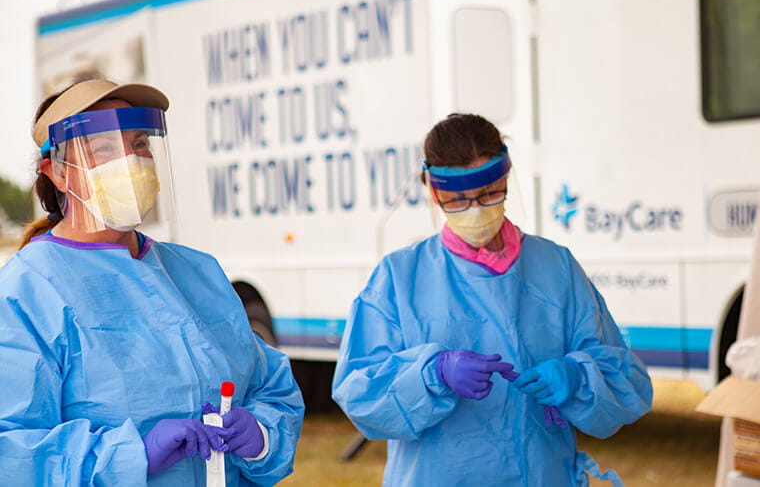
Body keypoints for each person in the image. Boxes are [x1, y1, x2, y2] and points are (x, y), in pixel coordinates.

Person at [0, 79, 304, 486]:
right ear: (57, 172)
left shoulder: (197, 272)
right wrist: (130, 457)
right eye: (104, 148)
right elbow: (13, 452)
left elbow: (271, 385)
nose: (130, 161)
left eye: (139, 143)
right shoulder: (26, 290)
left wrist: (263, 435)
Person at [332, 113, 653, 486]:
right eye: (457, 201)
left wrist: (576, 375)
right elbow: (358, 393)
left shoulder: (555, 268)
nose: (475, 211)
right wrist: (432, 374)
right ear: (434, 193)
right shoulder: (399, 277)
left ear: (505, 179)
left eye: (488, 195)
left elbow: (627, 380)